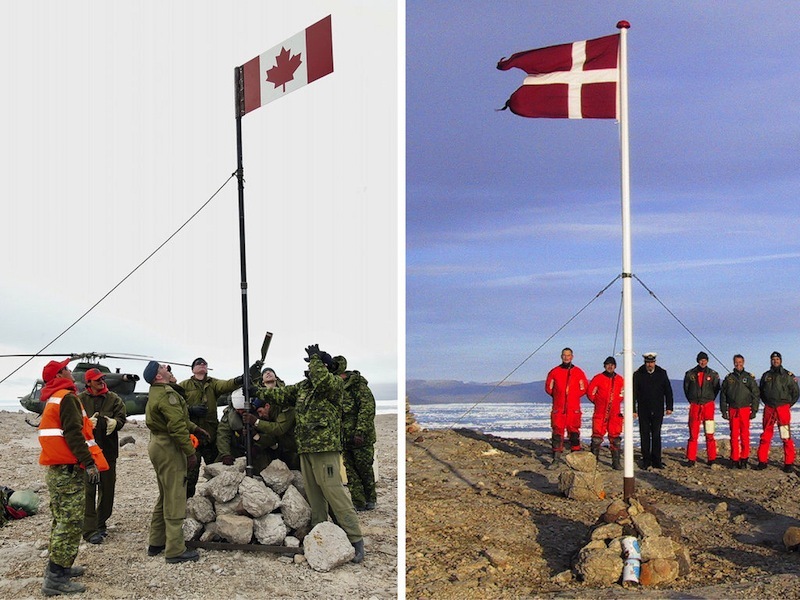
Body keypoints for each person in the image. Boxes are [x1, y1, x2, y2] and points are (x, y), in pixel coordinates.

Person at [251, 345, 365, 563]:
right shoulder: (304, 386)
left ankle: (355, 537)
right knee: (314, 496)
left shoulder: (332, 383)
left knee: (334, 493)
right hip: (306, 448)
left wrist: (316, 358)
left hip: (325, 448)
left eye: (314, 364)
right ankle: (319, 535)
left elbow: (322, 378)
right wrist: (256, 391)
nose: (310, 367)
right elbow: (281, 394)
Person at [38, 358, 107, 596]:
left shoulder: (54, 398)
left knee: (60, 521)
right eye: (66, 369)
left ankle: (58, 568)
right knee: (70, 523)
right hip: (68, 471)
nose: (70, 371)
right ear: (59, 375)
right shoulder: (66, 398)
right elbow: (73, 435)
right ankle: (56, 579)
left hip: (58, 471)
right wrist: (89, 463)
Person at [144, 360, 208, 563]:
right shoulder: (167, 394)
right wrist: (190, 453)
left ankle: (156, 542)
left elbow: (178, 420)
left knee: (164, 494)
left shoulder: (157, 392)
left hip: (157, 444)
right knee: (175, 495)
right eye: (164, 368)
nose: (167, 369)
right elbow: (176, 427)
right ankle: (174, 550)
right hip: (168, 447)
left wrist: (195, 428)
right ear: (158, 376)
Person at [179, 358, 243, 497]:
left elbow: (225, 385)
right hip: (192, 438)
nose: (202, 365)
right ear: (192, 369)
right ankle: (186, 506)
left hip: (210, 436)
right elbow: (176, 405)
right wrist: (190, 410)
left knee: (216, 473)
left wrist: (239, 380)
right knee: (189, 477)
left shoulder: (212, 383)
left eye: (204, 364)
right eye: (198, 363)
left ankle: (215, 502)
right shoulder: (184, 385)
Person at [78, 368, 127, 544]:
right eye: (97, 379)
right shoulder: (80, 400)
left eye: (102, 379)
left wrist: (117, 423)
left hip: (108, 453)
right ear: (88, 382)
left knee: (107, 490)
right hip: (88, 454)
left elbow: (122, 417)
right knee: (89, 491)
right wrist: (85, 424)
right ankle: (89, 529)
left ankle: (101, 523)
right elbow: (73, 422)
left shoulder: (114, 399)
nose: (101, 381)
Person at [335, 355, 378, 510]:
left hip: (361, 438)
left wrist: (359, 432)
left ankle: (370, 498)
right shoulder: (335, 386)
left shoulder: (357, 386)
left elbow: (367, 410)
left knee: (364, 468)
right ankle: (358, 502)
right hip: (344, 437)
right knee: (350, 470)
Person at [544, 347, 588, 467]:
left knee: (574, 433)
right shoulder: (555, 372)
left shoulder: (578, 372)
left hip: (573, 409)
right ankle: (556, 459)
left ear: (572, 357)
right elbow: (549, 388)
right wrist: (559, 395)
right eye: (564, 355)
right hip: (559, 408)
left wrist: (573, 396)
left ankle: (575, 459)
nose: (566, 357)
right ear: (561, 356)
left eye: (568, 355)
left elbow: (583, 388)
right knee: (557, 433)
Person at [757, 351, 800, 472]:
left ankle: (788, 462)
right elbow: (761, 391)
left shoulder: (787, 375)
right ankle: (762, 461)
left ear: (781, 361)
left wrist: (787, 405)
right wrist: (766, 402)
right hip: (769, 407)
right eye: (773, 359)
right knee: (766, 435)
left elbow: (795, 392)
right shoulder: (766, 375)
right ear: (770, 361)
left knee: (785, 435)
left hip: (783, 408)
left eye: (777, 359)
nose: (775, 361)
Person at [633, 352, 674, 470]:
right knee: (644, 434)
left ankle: (657, 460)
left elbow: (668, 391)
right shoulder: (638, 374)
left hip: (657, 409)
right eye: (647, 362)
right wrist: (633, 410)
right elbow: (634, 393)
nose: (650, 364)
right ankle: (646, 460)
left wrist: (669, 407)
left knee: (656, 434)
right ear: (645, 362)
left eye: (651, 362)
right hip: (643, 410)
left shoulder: (662, 373)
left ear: (655, 362)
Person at [720, 354, 760, 469]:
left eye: (740, 362)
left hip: (745, 409)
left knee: (745, 435)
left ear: (744, 362)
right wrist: (724, 410)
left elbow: (756, 394)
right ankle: (734, 458)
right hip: (733, 409)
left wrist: (754, 410)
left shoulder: (749, 378)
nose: (738, 364)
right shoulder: (729, 378)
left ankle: (744, 458)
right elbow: (723, 395)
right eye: (736, 362)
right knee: (734, 435)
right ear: (733, 363)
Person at [683, 351, 721, 467]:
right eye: (701, 360)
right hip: (695, 406)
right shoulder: (690, 374)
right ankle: (691, 458)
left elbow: (716, 388)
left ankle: (712, 458)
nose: (702, 362)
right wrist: (693, 399)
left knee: (709, 433)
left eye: (704, 360)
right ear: (697, 361)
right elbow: (686, 388)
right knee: (693, 433)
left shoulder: (713, 374)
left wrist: (708, 399)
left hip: (708, 406)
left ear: (707, 361)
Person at [586, 356, 624, 470]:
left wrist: (615, 401)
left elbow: (622, 394)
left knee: (615, 438)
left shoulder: (620, 379)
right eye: (608, 364)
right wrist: (598, 402)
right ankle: (594, 462)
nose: (610, 366)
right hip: (600, 411)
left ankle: (616, 462)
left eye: (612, 364)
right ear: (604, 366)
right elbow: (590, 393)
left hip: (615, 412)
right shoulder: (598, 378)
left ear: (615, 366)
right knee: (597, 438)